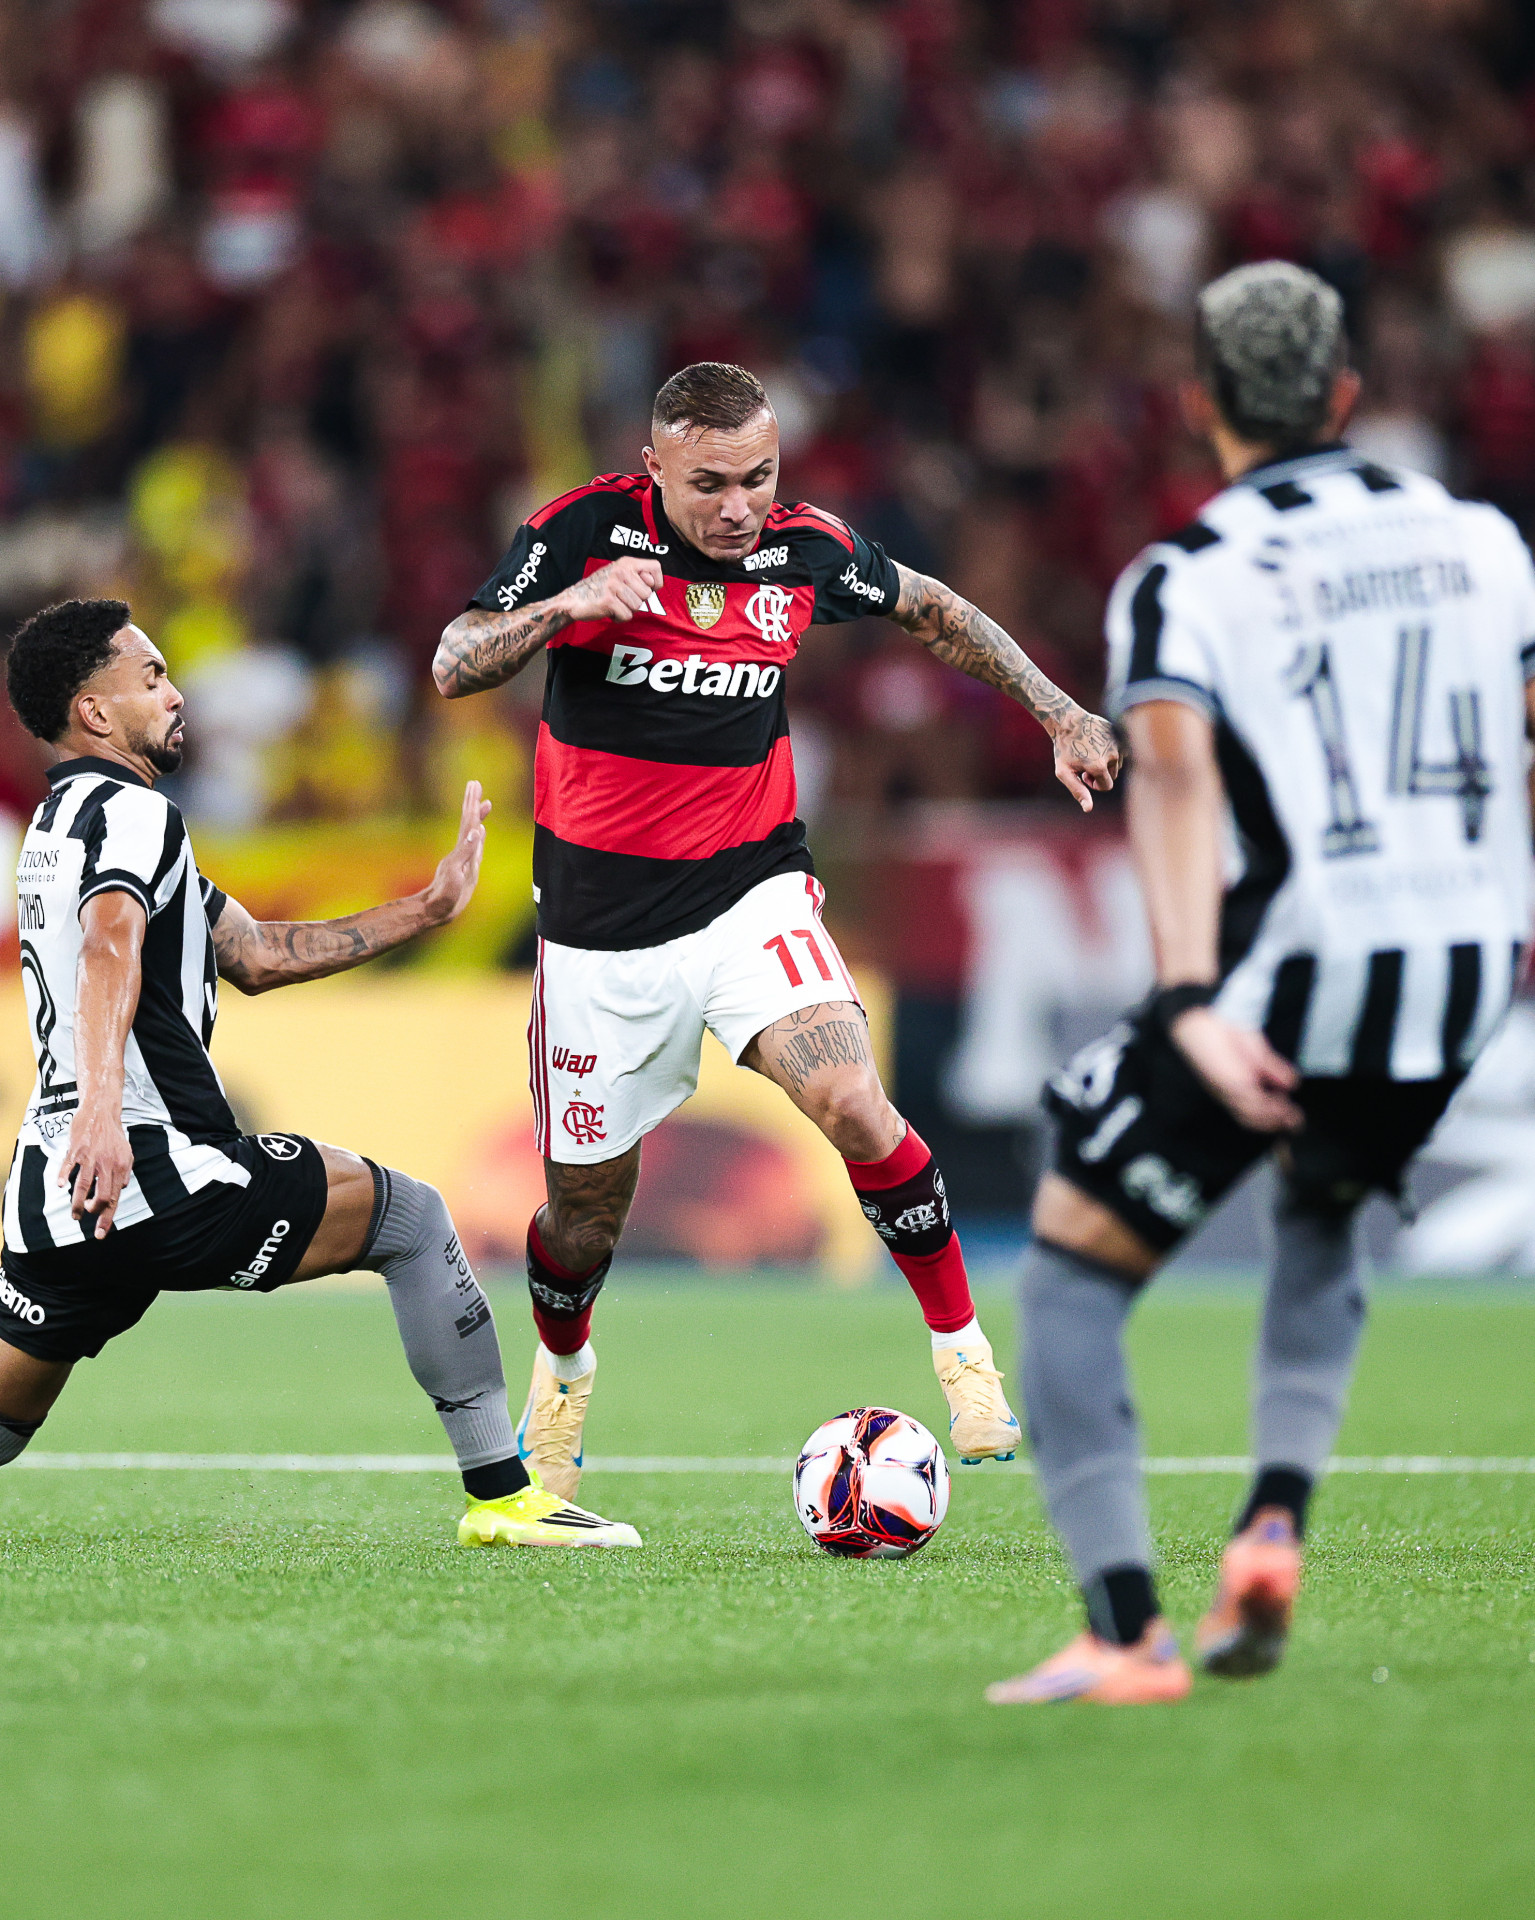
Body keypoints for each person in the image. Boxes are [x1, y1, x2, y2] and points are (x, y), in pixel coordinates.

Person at [987, 261, 1535, 1706]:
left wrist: (1186, 1002)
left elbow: (1170, 777)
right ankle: (1272, 1521)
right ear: (1344, 393)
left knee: (1068, 1272)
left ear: (1199, 404)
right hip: (1463, 971)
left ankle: (1124, 1634)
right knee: (1321, 1203)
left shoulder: (1190, 576)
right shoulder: (1484, 543)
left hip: (1300, 962)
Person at [434, 362, 1121, 1502]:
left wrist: (1058, 711)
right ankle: (562, 1374)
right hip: (600, 937)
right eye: (709, 483)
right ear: (654, 468)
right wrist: (567, 608)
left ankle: (964, 1358)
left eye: (756, 477)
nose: (738, 506)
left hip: (748, 895)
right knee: (582, 1215)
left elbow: (935, 611)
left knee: (851, 1099)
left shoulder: (802, 549)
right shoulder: (580, 532)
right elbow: (453, 660)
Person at [0, 598, 640, 1550]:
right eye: (151, 678)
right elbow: (107, 944)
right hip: (144, 1160)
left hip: (51, 1191)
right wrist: (104, 1110)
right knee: (411, 1220)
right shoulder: (133, 812)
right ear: (94, 711)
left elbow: (256, 953)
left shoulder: (59, 824)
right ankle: (506, 1499)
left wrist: (426, 909)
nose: (176, 695)